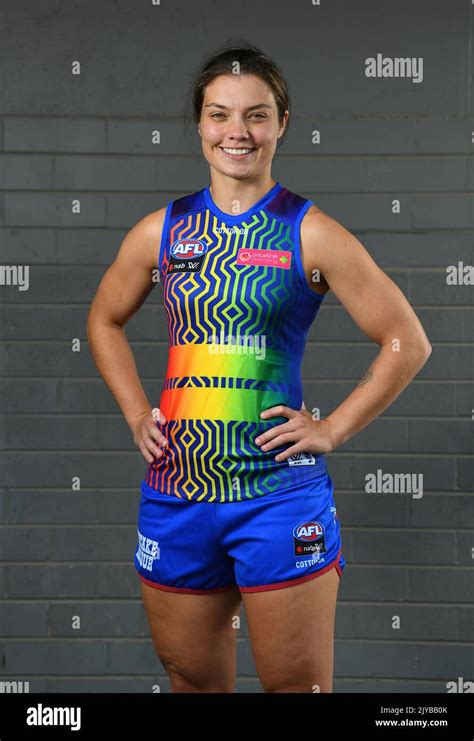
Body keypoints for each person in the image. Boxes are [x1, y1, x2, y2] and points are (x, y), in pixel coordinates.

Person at [86, 42, 432, 693]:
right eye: (220, 115)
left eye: (256, 115)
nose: (236, 132)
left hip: (278, 498)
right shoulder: (161, 231)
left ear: (281, 123)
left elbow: (405, 340)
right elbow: (102, 321)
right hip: (177, 495)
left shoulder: (311, 232)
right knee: (192, 681)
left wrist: (331, 429)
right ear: (200, 125)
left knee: (297, 689)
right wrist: (138, 412)